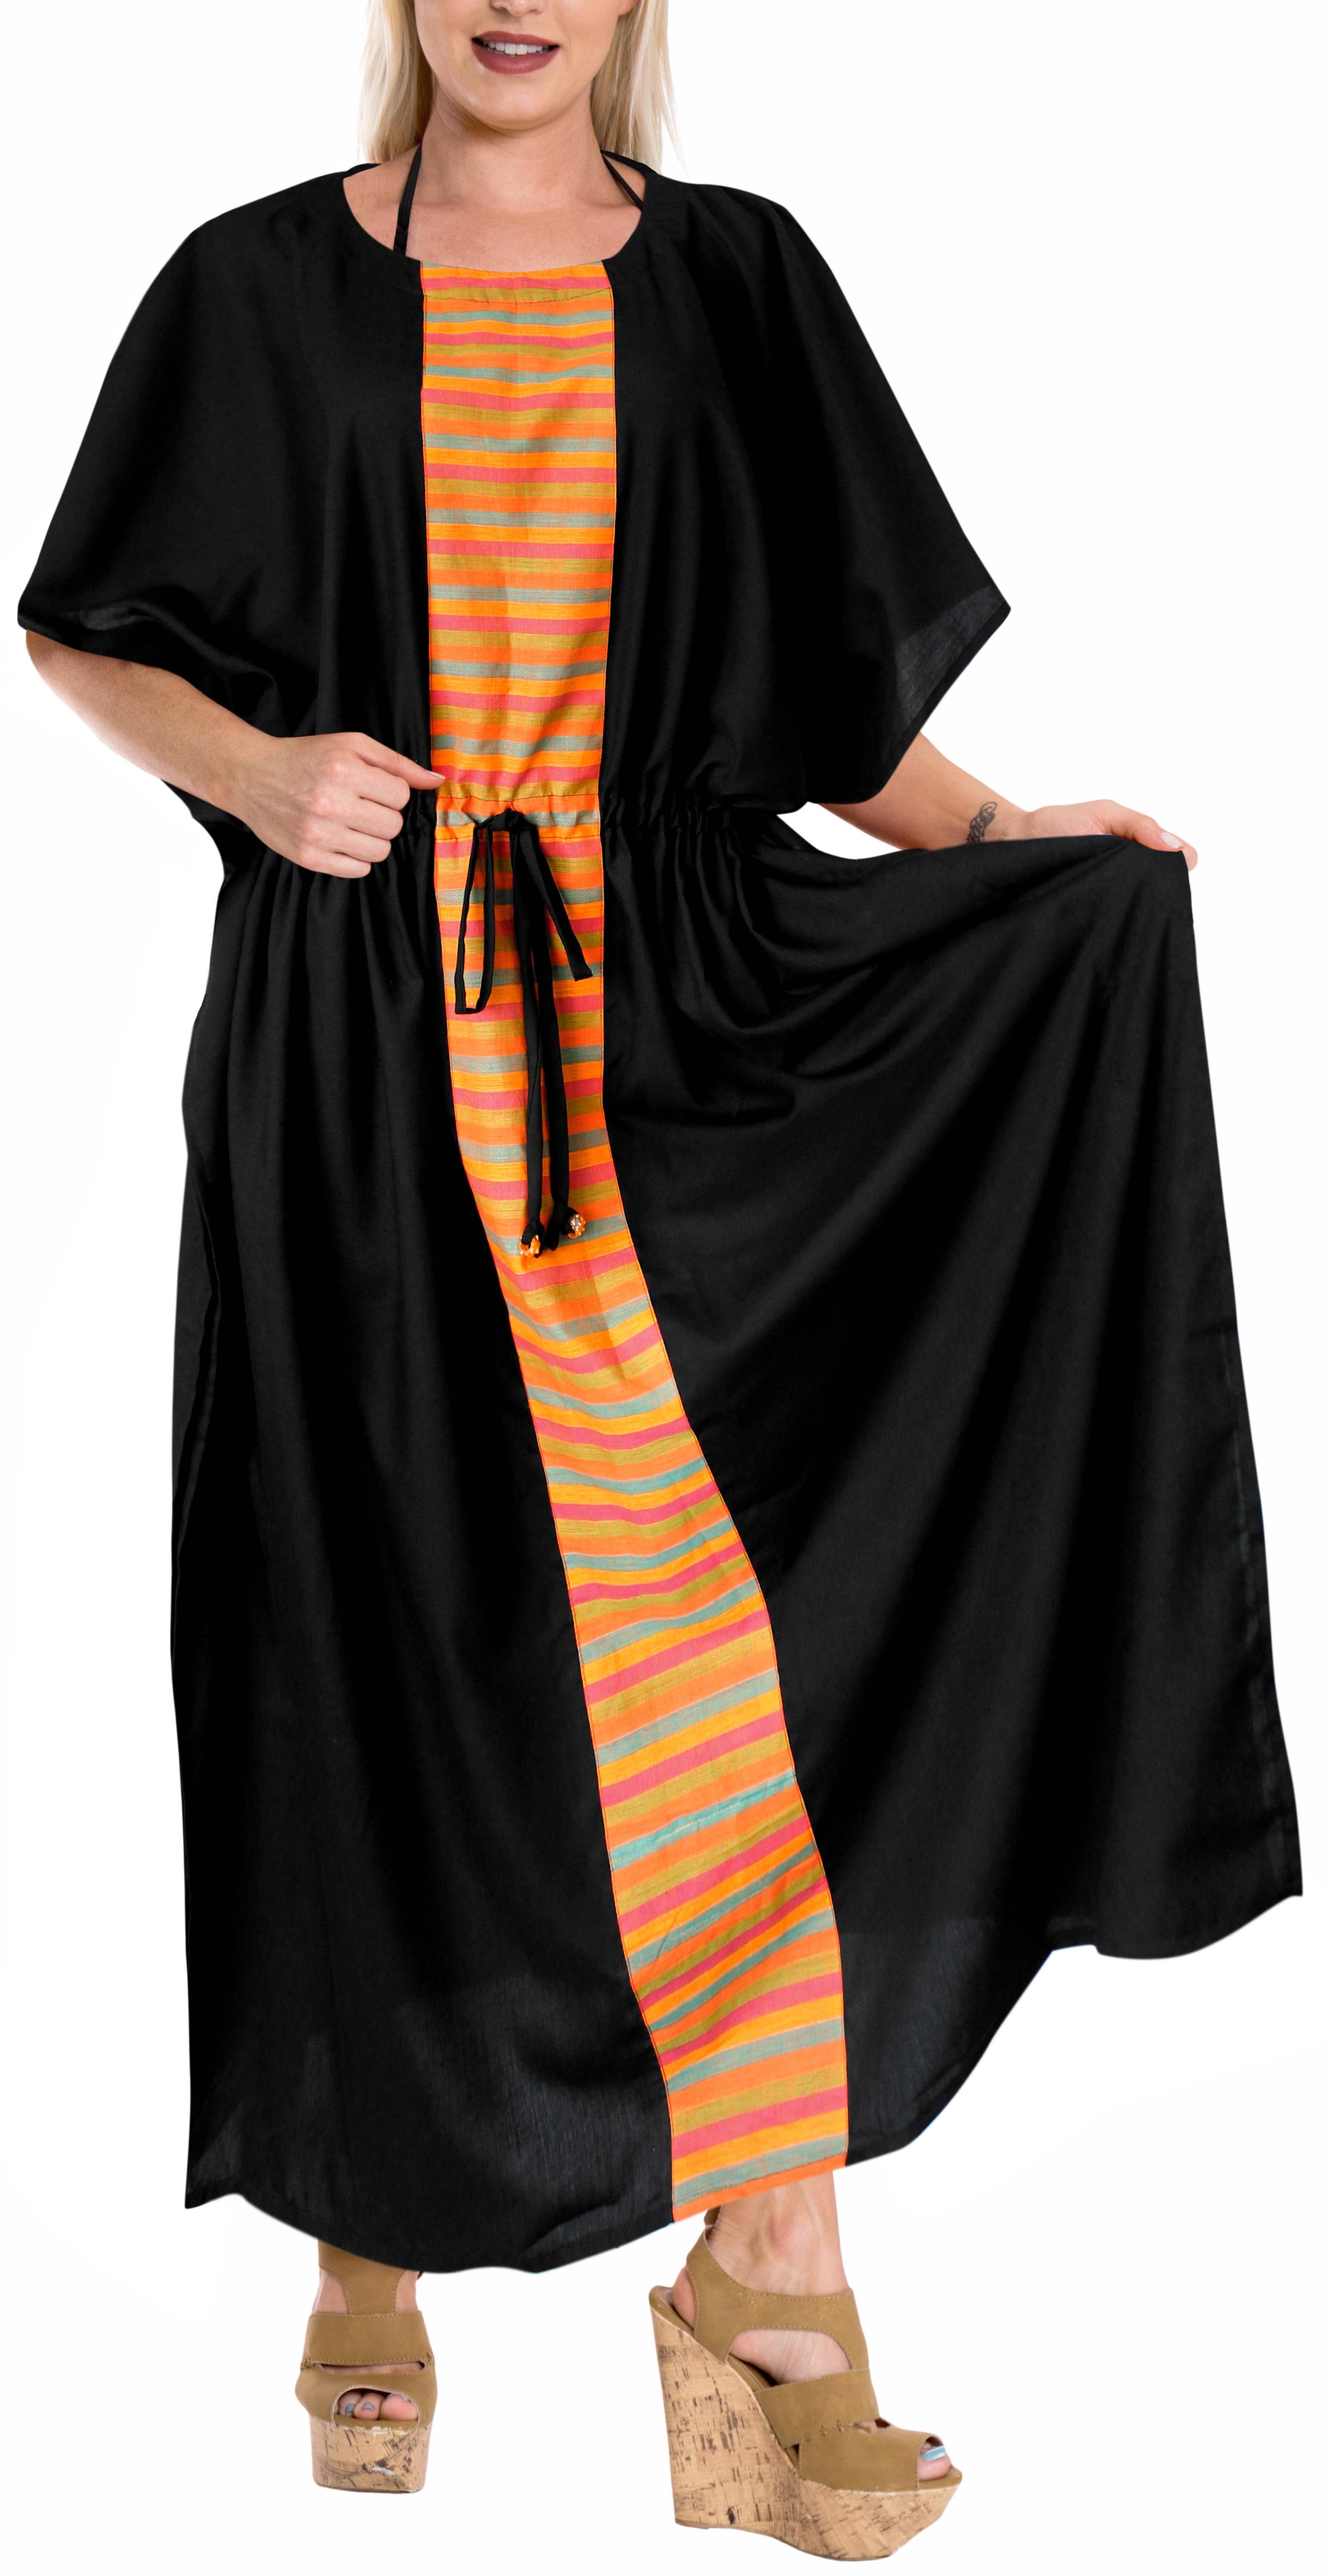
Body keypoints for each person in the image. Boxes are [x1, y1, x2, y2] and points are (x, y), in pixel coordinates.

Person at [19, 0, 1299, 2552]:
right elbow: (85, 625)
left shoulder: (735, 277)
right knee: (393, 1630)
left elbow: (823, 704)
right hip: (365, 1058)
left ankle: (774, 2268)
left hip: (687, 1033)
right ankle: (366, 2219)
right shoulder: (254, 286)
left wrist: (999, 841)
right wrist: (257, 770)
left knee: (760, 1642)